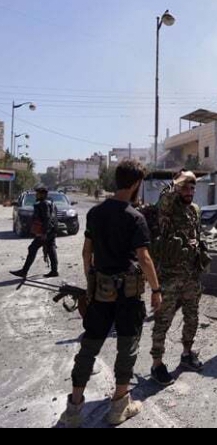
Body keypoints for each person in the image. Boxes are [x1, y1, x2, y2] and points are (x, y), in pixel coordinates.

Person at [58, 160, 163, 428]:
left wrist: (91, 283)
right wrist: (156, 289)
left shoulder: (95, 213)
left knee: (89, 347)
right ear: (136, 183)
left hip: (101, 293)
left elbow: (86, 252)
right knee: (127, 347)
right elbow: (144, 258)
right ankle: (119, 406)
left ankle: (73, 409)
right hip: (128, 295)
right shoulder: (135, 217)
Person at [150, 171, 208, 386]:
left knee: (192, 316)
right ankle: (157, 364)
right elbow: (164, 199)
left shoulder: (194, 210)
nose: (189, 192)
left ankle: (187, 354)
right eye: (185, 188)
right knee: (163, 320)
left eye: (192, 188)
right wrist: (179, 180)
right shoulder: (168, 207)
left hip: (191, 274)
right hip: (170, 275)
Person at [11, 185, 59, 278]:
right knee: (51, 249)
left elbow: (46, 218)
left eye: (38, 193)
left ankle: (24, 271)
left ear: (43, 194)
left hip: (45, 231)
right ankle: (54, 271)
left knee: (32, 248)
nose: (36, 195)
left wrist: (44, 233)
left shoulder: (43, 204)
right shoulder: (51, 203)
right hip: (52, 230)